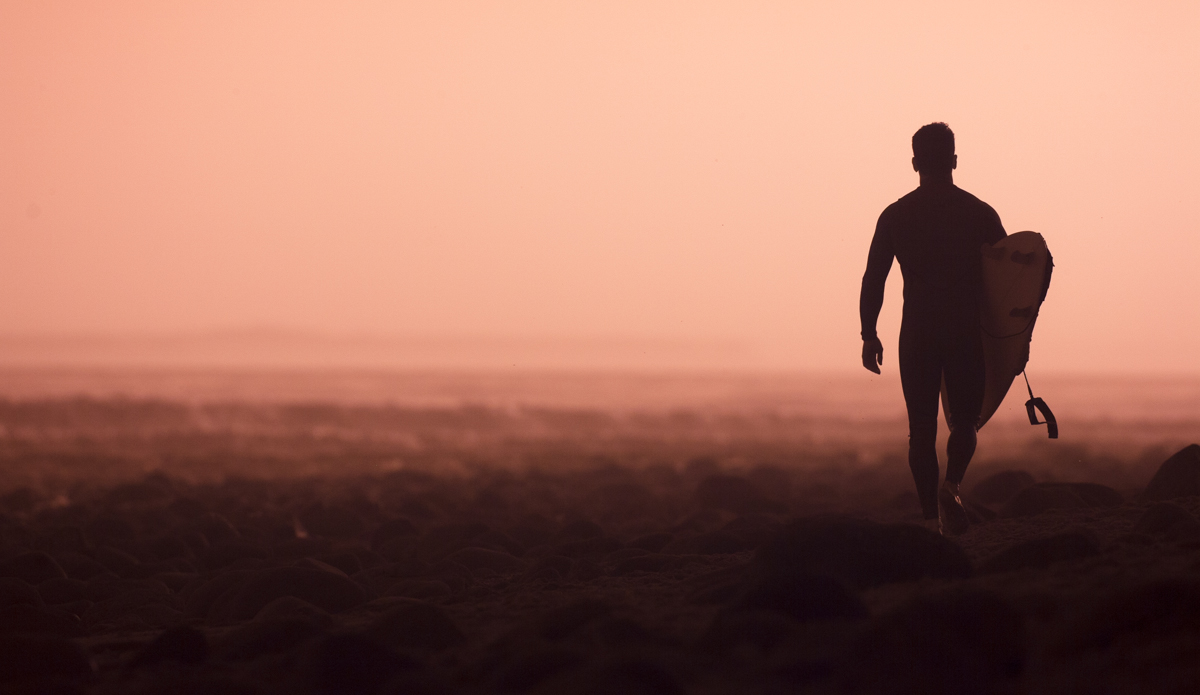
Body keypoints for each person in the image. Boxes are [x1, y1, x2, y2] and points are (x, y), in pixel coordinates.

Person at [859, 123, 1006, 535]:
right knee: (965, 420)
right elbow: (1009, 280)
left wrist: (869, 334)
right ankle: (952, 486)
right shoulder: (980, 213)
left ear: (914, 163)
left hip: (917, 332)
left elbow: (874, 279)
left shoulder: (895, 215)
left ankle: (929, 522)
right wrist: (1016, 338)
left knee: (920, 430)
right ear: (954, 161)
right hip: (963, 330)